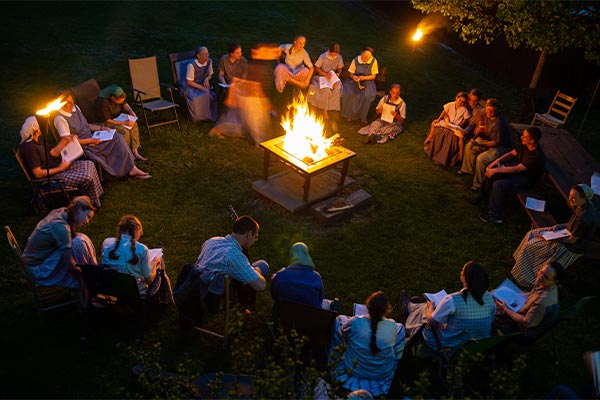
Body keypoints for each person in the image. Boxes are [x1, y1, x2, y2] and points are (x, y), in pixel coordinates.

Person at [512, 184, 599, 287]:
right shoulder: (582, 206)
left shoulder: (584, 217)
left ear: (584, 198)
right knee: (532, 233)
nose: (570, 199)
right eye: (570, 196)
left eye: (574, 198)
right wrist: (559, 225)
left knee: (532, 245)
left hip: (572, 247)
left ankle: (527, 276)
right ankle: (521, 262)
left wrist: (555, 238)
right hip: (567, 233)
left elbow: (572, 240)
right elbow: (574, 224)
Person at [403, 261, 496, 355]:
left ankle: (410, 309)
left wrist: (431, 307)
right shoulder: (489, 297)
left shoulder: (453, 299)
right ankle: (412, 307)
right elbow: (491, 319)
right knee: (431, 310)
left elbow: (432, 322)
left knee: (426, 311)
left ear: (464, 278)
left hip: (450, 348)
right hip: (477, 348)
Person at [53, 92, 151, 179]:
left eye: (72, 101)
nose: (71, 104)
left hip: (92, 137)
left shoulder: (76, 108)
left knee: (117, 137)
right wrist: (90, 141)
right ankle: (117, 171)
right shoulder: (60, 118)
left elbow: (86, 125)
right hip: (82, 145)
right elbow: (66, 141)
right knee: (109, 144)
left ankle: (132, 167)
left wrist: (102, 128)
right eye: (68, 103)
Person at [21, 196, 97, 305]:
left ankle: (86, 281)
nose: (88, 221)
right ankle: (84, 290)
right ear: (79, 210)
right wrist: (85, 273)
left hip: (33, 260)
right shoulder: (61, 228)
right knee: (78, 244)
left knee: (79, 240)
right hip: (36, 269)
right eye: (88, 217)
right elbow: (70, 264)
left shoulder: (62, 212)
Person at [331, 291, 405, 397]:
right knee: (400, 333)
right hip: (381, 375)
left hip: (352, 370)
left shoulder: (355, 322)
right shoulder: (394, 326)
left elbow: (343, 334)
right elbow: (397, 354)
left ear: (367, 306)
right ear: (387, 309)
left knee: (338, 322)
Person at [19, 116, 103, 208]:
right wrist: (60, 168)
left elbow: (53, 153)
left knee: (89, 164)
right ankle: (89, 203)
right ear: (36, 129)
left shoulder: (39, 140)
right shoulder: (29, 148)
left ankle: (94, 199)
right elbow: (38, 174)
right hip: (51, 180)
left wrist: (65, 140)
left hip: (56, 167)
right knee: (86, 175)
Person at [477, 126, 545, 223]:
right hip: (519, 172)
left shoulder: (535, 156)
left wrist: (497, 170)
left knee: (499, 185)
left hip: (526, 180)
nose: (521, 137)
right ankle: (482, 199)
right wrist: (497, 161)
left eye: (525, 137)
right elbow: (512, 153)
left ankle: (495, 216)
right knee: (490, 172)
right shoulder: (525, 145)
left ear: (532, 140)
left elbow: (518, 169)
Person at [494, 261, 564, 336]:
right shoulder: (547, 285)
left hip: (524, 330)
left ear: (555, 281)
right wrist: (515, 294)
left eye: (546, 277)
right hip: (527, 313)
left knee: (492, 311)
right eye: (541, 272)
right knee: (495, 293)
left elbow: (526, 323)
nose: (540, 277)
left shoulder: (542, 302)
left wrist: (505, 309)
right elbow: (534, 294)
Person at [458, 98, 513, 193]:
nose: (489, 112)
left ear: (497, 110)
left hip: (501, 146)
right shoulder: (485, 112)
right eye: (488, 109)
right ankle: (467, 170)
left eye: (492, 110)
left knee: (481, 159)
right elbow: (480, 114)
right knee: (469, 146)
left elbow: (495, 143)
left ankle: (477, 184)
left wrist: (480, 143)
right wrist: (480, 126)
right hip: (489, 139)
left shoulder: (499, 123)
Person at [101, 215, 158, 297]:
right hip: (136, 294)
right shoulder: (142, 249)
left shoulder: (107, 247)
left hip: (113, 292)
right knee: (159, 267)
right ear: (137, 229)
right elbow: (149, 280)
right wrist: (155, 265)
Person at [424, 89, 482, 166]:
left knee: (453, 136)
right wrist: (442, 119)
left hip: (459, 128)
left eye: (475, 101)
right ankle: (431, 143)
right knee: (437, 127)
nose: (472, 102)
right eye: (470, 99)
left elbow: (470, 123)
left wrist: (461, 128)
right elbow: (446, 112)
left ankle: (453, 155)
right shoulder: (457, 104)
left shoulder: (476, 111)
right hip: (449, 123)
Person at [96, 84, 147, 161]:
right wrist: (124, 123)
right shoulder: (103, 102)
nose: (120, 103)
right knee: (125, 131)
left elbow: (124, 103)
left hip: (118, 118)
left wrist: (131, 111)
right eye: (119, 102)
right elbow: (107, 120)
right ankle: (127, 154)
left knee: (134, 124)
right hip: (105, 122)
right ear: (112, 98)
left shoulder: (118, 93)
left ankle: (135, 151)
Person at [271, 242, 324, 309]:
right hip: (311, 317)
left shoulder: (280, 276)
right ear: (307, 255)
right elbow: (320, 299)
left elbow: (274, 295)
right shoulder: (316, 278)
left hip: (285, 315)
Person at [307, 43, 344, 130]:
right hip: (322, 77)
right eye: (332, 54)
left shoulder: (339, 57)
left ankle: (333, 108)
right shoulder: (323, 56)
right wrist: (325, 74)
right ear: (329, 51)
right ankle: (325, 111)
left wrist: (338, 73)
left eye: (335, 54)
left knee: (337, 88)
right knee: (326, 90)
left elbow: (340, 68)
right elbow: (317, 68)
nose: (334, 56)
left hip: (332, 77)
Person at [341, 47, 379, 124]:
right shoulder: (356, 60)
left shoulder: (373, 61)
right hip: (355, 79)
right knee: (349, 93)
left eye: (367, 57)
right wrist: (354, 77)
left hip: (368, 80)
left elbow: (373, 76)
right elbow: (351, 73)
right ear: (361, 54)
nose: (365, 59)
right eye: (364, 57)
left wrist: (364, 77)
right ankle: (349, 115)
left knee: (367, 95)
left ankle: (362, 116)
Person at [183, 46, 218, 123]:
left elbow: (210, 74)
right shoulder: (191, 65)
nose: (208, 56)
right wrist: (202, 88)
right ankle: (198, 118)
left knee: (211, 95)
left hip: (202, 82)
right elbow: (189, 82)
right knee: (196, 98)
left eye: (208, 54)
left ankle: (209, 116)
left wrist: (206, 79)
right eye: (205, 54)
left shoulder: (209, 61)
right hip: (191, 85)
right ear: (198, 56)